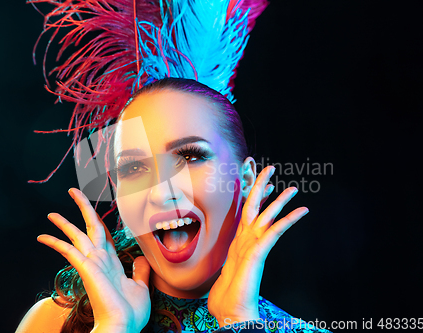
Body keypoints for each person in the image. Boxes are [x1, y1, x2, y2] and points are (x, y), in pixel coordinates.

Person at [17, 1, 331, 333]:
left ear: (246, 178)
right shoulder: (51, 323)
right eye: (134, 169)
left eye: (192, 156)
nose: (161, 191)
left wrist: (239, 322)